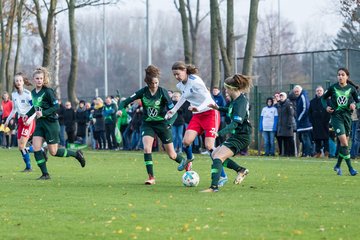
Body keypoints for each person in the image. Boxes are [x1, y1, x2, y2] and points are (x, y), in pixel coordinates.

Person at [117, 65, 186, 185]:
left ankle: (185, 162)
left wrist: (169, 123)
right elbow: (125, 102)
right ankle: (151, 177)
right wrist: (119, 109)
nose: (154, 85)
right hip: (147, 124)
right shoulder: (143, 92)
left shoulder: (163, 92)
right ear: (148, 82)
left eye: (156, 82)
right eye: (152, 83)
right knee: (146, 148)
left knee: (172, 154)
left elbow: (173, 112)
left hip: (162, 124)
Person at [165, 61, 228, 186]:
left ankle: (222, 175)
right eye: (174, 75)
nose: (177, 77)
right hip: (197, 115)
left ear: (185, 71)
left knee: (209, 146)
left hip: (210, 113)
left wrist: (198, 108)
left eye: (178, 74)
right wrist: (173, 110)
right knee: (186, 142)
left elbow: (208, 99)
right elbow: (184, 97)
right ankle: (189, 158)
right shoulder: (181, 85)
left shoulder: (196, 81)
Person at [24, 67, 85, 180]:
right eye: (37, 78)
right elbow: (35, 107)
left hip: (51, 123)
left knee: (54, 152)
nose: (39, 80)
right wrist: (27, 115)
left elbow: (55, 106)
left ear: (44, 79)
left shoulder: (48, 91)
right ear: (33, 79)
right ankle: (45, 174)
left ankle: (76, 154)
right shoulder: (33, 93)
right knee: (36, 148)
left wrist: (44, 113)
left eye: (41, 78)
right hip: (40, 124)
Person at [201, 74, 252, 192]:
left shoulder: (240, 102)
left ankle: (214, 187)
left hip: (242, 137)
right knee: (214, 154)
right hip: (237, 135)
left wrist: (219, 133)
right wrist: (217, 107)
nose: (225, 91)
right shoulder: (236, 100)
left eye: (226, 88)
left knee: (218, 157)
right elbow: (229, 110)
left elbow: (235, 123)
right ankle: (241, 170)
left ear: (233, 89)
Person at [322, 67, 358, 176]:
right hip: (336, 118)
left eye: (342, 75)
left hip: (347, 118)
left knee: (344, 145)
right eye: (339, 75)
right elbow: (323, 98)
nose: (340, 77)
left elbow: (358, 102)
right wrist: (326, 107)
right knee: (345, 143)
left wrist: (354, 105)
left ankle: (337, 165)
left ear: (347, 77)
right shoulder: (333, 88)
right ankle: (351, 169)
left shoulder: (352, 89)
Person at [4, 72, 37, 171]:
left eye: (20, 80)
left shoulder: (28, 94)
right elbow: (14, 109)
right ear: (14, 83)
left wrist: (31, 118)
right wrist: (7, 120)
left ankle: (39, 149)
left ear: (23, 82)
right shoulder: (14, 95)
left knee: (22, 145)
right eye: (16, 81)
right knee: (20, 147)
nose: (18, 82)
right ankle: (28, 166)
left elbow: (35, 108)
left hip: (28, 120)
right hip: (20, 120)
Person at [308, 86, 331, 158]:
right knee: (317, 138)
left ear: (323, 92)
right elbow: (309, 112)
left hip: (325, 122)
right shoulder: (312, 101)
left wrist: (327, 120)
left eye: (320, 91)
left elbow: (330, 111)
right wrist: (312, 121)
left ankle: (326, 152)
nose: (319, 92)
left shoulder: (327, 100)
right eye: (317, 91)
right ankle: (318, 152)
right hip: (315, 123)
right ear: (316, 92)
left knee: (325, 138)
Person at [293, 85, 313, 157]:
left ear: (300, 90)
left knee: (306, 138)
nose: (296, 93)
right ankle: (305, 153)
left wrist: (299, 119)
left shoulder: (303, 96)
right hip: (302, 123)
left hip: (305, 123)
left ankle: (308, 153)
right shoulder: (299, 98)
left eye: (297, 91)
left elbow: (306, 108)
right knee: (303, 139)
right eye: (295, 92)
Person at [277, 92, 296, 157]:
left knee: (290, 139)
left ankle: (292, 153)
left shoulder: (288, 104)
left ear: (285, 97)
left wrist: (289, 124)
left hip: (288, 125)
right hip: (281, 125)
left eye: (282, 96)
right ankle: (286, 153)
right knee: (284, 139)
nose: (281, 97)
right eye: (280, 96)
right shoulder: (279, 105)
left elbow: (291, 114)